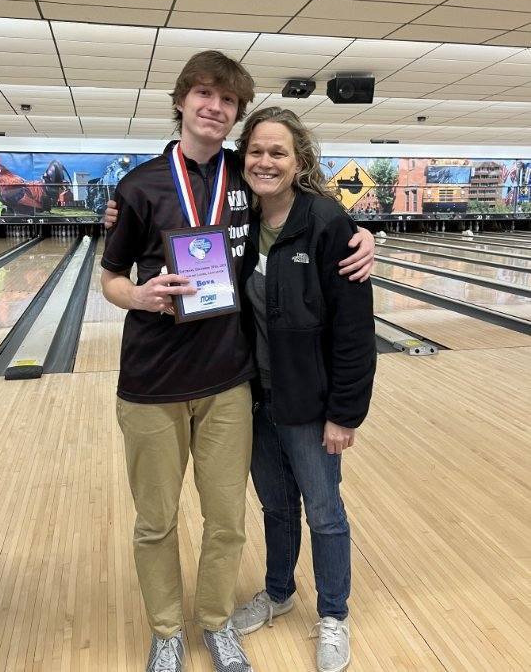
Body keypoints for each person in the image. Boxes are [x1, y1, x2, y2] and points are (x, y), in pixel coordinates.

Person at [100, 51, 375, 672]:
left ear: (236, 117)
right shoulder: (138, 187)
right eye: (204, 95)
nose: (214, 108)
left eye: (227, 102)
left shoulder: (244, 176)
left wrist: (363, 234)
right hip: (152, 384)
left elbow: (309, 205)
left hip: (230, 384)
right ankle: (168, 631)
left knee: (228, 521)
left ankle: (218, 623)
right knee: (156, 522)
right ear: (181, 101)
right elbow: (110, 275)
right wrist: (138, 296)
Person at [231, 107, 376, 672]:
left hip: (311, 406)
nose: (265, 161)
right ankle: (279, 591)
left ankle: (334, 614)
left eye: (278, 152)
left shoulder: (325, 221)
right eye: (257, 151)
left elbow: (353, 331)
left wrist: (345, 414)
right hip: (255, 397)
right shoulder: (239, 219)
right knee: (275, 506)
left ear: (299, 162)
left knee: (324, 511)